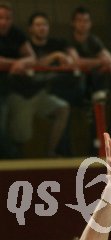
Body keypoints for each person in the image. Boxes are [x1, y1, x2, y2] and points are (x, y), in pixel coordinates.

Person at [7, 12, 74, 157]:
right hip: (22, 95)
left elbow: (72, 59)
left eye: (44, 25)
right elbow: (33, 63)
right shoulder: (24, 45)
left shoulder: (56, 43)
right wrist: (55, 56)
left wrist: (68, 59)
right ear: (30, 28)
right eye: (38, 25)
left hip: (40, 94)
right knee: (21, 137)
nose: (41, 28)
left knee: (62, 108)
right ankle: (17, 163)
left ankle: (50, 152)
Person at [0, 1, 35, 158]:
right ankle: (15, 157)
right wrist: (15, 62)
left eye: (8, 18)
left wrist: (22, 62)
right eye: (1, 18)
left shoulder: (16, 33)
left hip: (11, 89)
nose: (4, 22)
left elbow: (32, 58)